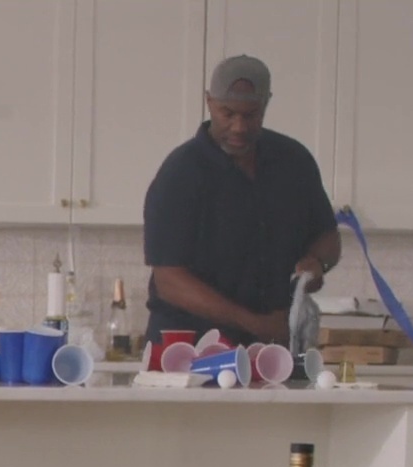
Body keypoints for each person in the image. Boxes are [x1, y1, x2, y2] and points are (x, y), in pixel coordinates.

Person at [143, 54, 342, 346]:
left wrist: (316, 263)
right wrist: (255, 324)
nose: (239, 127)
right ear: (209, 102)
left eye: (250, 115)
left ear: (266, 104)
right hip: (189, 349)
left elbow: (327, 236)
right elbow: (169, 281)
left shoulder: (294, 162)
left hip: (274, 344)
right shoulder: (181, 173)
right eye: (227, 113)